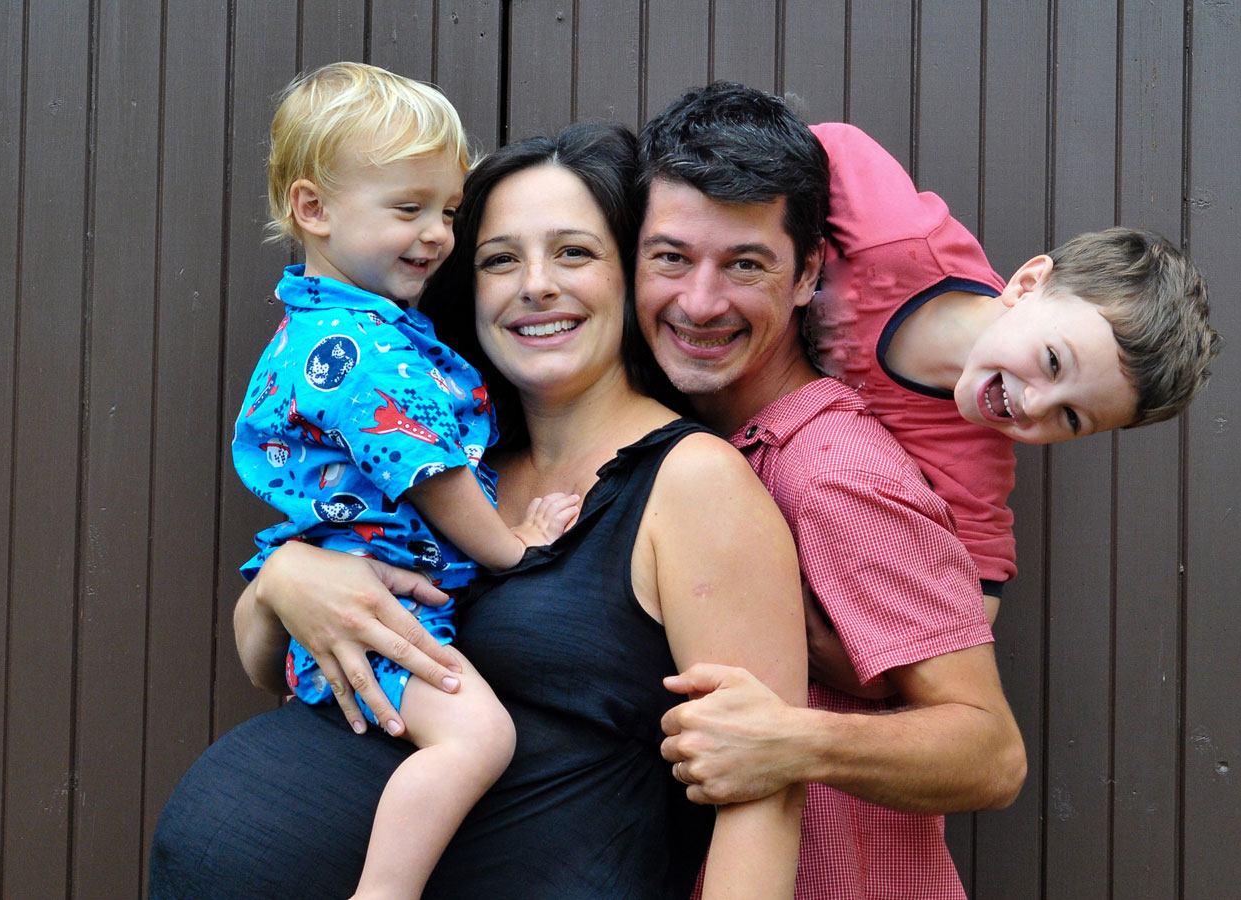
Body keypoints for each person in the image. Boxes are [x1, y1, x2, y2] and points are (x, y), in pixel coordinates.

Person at [154, 122, 806, 900]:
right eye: (500, 259)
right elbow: (273, 669)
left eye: (574, 252)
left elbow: (761, 796)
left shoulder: (692, 481)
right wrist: (283, 583)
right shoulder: (449, 469)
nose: (536, 285)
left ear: (631, 276)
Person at [631, 83, 1026, 900]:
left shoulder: (835, 469)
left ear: (808, 272)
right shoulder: (680, 444)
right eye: (671, 258)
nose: (700, 302)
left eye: (746, 264)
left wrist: (793, 743)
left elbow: (990, 754)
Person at [231, 60, 580, 900]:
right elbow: (429, 472)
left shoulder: (335, 325)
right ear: (313, 209)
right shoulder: (363, 349)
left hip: (360, 590)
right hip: (381, 606)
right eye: (408, 208)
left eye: (448, 212)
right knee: (478, 739)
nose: (437, 235)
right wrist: (515, 546)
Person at [803, 121, 1217, 629]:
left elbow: (979, 588)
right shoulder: (896, 239)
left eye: (1070, 417)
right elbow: (824, 145)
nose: (1036, 406)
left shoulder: (973, 452)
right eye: (1054, 362)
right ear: (1027, 284)